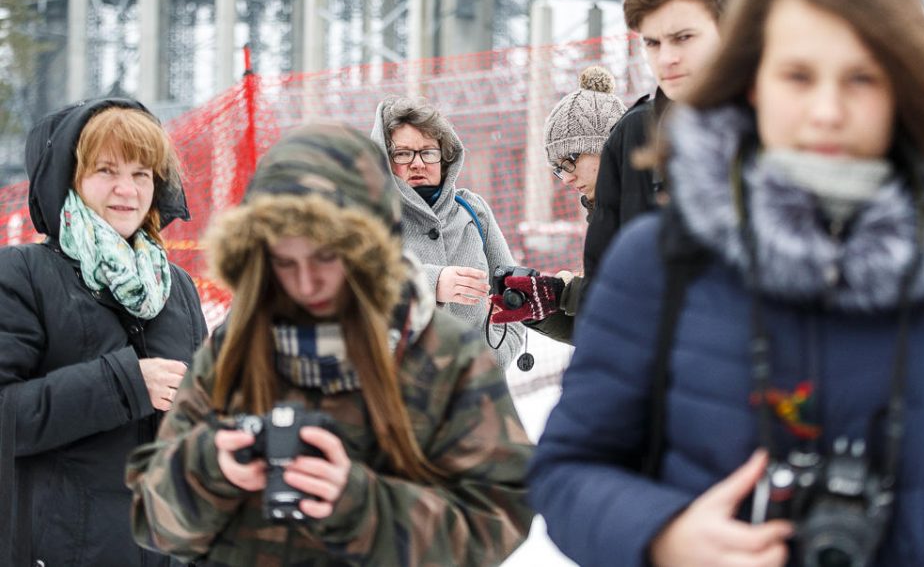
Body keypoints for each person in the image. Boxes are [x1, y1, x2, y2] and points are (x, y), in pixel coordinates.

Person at [529, 0, 924, 566]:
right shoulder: (658, 263)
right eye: (797, 76)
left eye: (862, 76)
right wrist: (663, 536)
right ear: (752, 82)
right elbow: (566, 469)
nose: (826, 111)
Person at [126, 123, 534, 566]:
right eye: (284, 259)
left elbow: (500, 516)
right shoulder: (238, 346)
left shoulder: (440, 351)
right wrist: (209, 471)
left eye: (327, 257)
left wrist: (364, 507)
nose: (306, 282)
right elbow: (154, 515)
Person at [0, 98, 207, 567]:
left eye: (141, 173)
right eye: (106, 171)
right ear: (68, 180)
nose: (127, 190)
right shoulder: (22, 274)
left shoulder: (177, 289)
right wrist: (124, 384)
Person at [581, 0, 734, 298]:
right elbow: (604, 281)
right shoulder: (631, 134)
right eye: (652, 43)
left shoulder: (777, 129)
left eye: (683, 38)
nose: (666, 59)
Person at [370, 96, 524, 369]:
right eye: (403, 153)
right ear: (385, 159)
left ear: (444, 157)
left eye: (428, 151)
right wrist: (431, 284)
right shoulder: (367, 218)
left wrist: (493, 358)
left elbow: (514, 294)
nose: (417, 163)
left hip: (474, 398)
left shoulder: (473, 210)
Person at [490, 66, 626, 345]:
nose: (566, 178)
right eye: (558, 170)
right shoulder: (605, 216)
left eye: (570, 161)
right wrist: (541, 311)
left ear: (606, 146)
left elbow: (642, 305)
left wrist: (563, 293)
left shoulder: (653, 204)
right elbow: (604, 332)